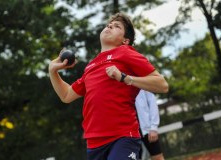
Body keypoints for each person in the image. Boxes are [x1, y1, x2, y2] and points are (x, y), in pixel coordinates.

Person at [48, 12, 168, 160]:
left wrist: (125, 78)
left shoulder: (125, 52)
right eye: (108, 25)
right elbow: (66, 95)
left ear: (125, 40)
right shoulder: (91, 65)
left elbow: (162, 85)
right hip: (94, 142)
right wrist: (52, 72)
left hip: (123, 137)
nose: (110, 25)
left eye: (117, 26)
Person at [135, 90, 165, 160]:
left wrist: (154, 127)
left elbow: (152, 103)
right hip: (130, 133)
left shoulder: (141, 83)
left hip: (147, 130)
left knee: (157, 157)